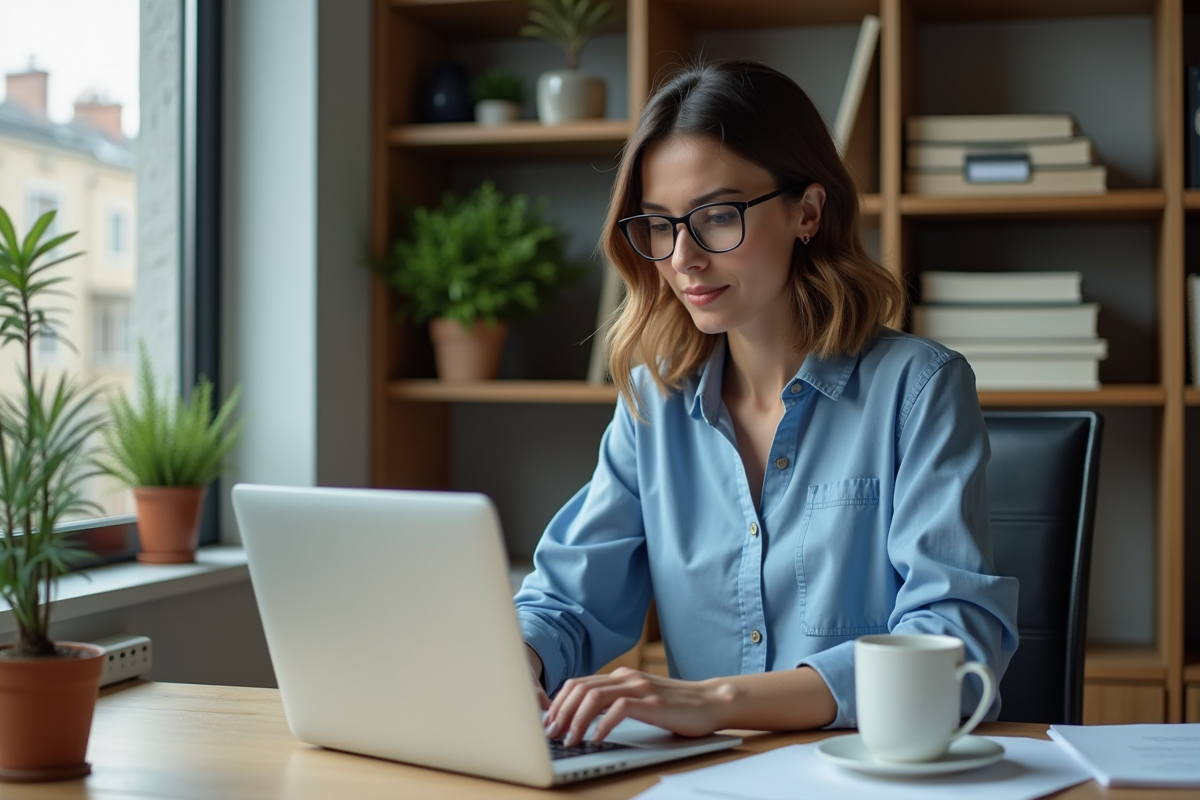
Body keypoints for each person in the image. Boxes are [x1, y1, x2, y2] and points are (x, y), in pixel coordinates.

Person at [514, 60, 1019, 748]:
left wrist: (716, 701)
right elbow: (570, 598)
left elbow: (953, 646)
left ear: (807, 211)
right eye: (660, 226)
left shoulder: (919, 389)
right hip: (705, 784)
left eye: (717, 216)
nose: (684, 257)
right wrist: (520, 659)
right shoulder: (652, 401)